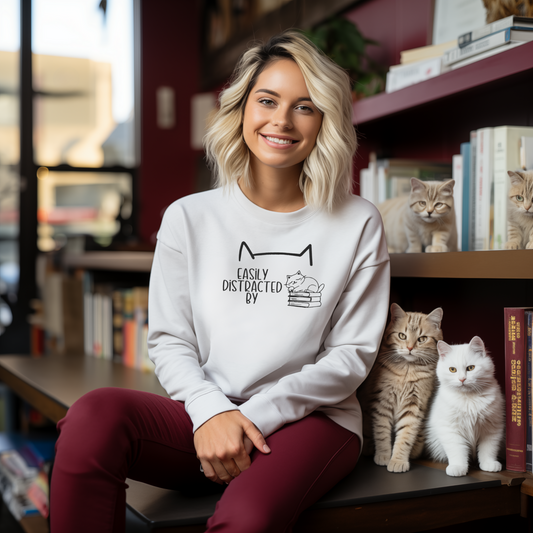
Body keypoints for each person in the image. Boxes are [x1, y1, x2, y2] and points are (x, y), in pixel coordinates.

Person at [50, 30, 390, 533]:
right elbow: (170, 340)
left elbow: (350, 357)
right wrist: (211, 413)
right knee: (93, 416)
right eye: (267, 100)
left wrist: (254, 416)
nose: (281, 120)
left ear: (325, 123)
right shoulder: (189, 217)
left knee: (247, 518)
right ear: (242, 109)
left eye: (305, 107)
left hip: (312, 421)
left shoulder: (358, 221)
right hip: (208, 417)